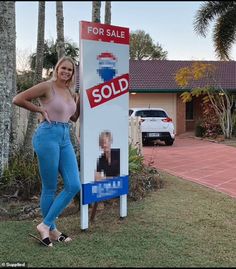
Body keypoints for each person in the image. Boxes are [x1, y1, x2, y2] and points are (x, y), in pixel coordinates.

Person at [12, 56, 81, 247]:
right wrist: (40, 110)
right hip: (47, 136)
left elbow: (73, 117)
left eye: (70, 70)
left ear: (73, 73)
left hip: (65, 136)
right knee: (49, 187)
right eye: (63, 68)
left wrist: (81, 99)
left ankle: (45, 225)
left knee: (74, 184)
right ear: (57, 69)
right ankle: (51, 230)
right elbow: (18, 98)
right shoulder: (47, 86)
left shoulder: (70, 91)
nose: (66, 72)